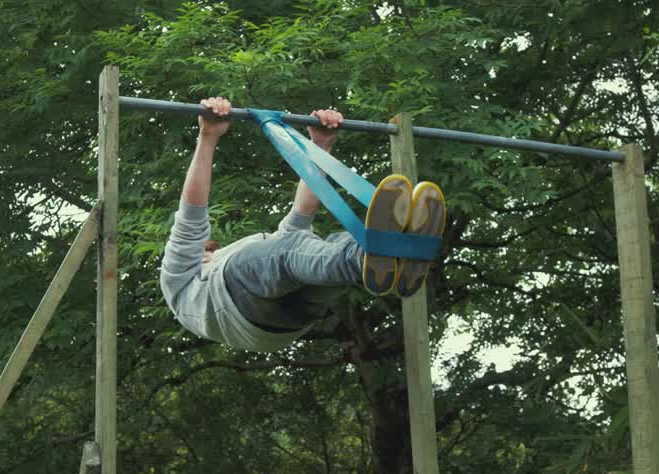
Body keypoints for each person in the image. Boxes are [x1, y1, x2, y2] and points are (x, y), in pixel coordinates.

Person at [159, 96, 445, 352]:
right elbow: (191, 216)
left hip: (287, 324)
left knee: (325, 247)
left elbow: (301, 216)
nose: (205, 250)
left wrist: (321, 145)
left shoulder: (246, 253)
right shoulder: (180, 277)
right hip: (233, 301)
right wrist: (207, 138)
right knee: (292, 250)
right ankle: (366, 254)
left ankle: (386, 257)